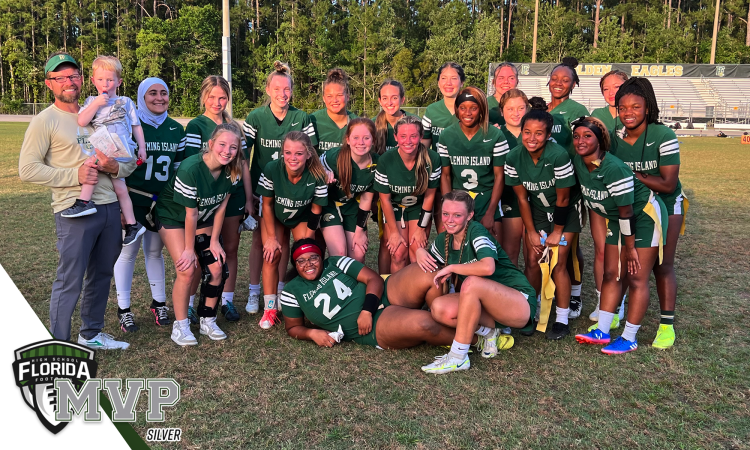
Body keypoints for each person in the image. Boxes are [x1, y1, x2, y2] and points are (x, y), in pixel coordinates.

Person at [19, 52, 136, 349]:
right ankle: (59, 343)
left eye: (73, 75)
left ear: (83, 79)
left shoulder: (100, 110)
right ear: (50, 84)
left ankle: (91, 334)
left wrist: (115, 167)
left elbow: (128, 159)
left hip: (110, 206)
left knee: (101, 275)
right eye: (60, 78)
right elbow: (27, 169)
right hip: (75, 211)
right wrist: (76, 175)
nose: (68, 82)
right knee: (69, 279)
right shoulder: (45, 120)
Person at [413, 191, 536, 374]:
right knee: (439, 308)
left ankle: (458, 357)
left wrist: (453, 268)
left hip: (519, 302)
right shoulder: (443, 240)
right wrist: (420, 252)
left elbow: (488, 268)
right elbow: (430, 262)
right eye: (446, 214)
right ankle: (489, 333)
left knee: (471, 283)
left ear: (469, 216)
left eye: (457, 215)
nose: (450, 220)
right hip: (488, 306)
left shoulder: (476, 230)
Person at [572, 117, 667, 354]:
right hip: (619, 219)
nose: (580, 141)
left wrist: (630, 247)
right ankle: (602, 330)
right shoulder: (580, 161)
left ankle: (629, 337)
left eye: (587, 136)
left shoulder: (613, 168)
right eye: (576, 136)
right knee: (611, 273)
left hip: (642, 217)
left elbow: (627, 211)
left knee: (635, 277)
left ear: (600, 140)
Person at [609, 77, 685, 349]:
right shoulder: (616, 140)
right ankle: (615, 314)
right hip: (634, 209)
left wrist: (632, 175)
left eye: (635, 107)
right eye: (623, 108)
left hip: (666, 204)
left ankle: (666, 326)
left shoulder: (663, 135)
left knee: (662, 265)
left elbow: (668, 183)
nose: (628, 113)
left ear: (648, 107)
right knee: (628, 265)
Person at [280, 239, 460, 352]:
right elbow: (292, 328)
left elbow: (373, 278)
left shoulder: (335, 262)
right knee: (424, 323)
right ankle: (474, 339)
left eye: (313, 258)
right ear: (294, 265)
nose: (308, 264)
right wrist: (312, 333)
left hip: (385, 293)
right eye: (301, 261)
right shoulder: (292, 291)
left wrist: (366, 310)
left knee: (430, 271)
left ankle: (448, 318)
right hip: (374, 325)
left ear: (321, 258)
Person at [155, 122, 243, 346]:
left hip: (204, 218)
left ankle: (207, 319)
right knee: (187, 269)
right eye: (222, 144)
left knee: (217, 267)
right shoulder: (190, 168)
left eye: (233, 147)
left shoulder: (234, 170)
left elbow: (221, 208)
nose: (227, 151)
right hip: (174, 217)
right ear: (211, 144)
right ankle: (181, 325)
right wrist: (188, 249)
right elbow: (189, 214)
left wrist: (214, 241)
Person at [243, 61, 317, 315]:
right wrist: (248, 192)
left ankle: (281, 289)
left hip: (293, 191)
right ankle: (254, 291)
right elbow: (244, 157)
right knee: (260, 241)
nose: (282, 94)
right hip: (263, 190)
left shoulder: (301, 117)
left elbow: (312, 153)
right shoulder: (256, 117)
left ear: (292, 91)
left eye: (286, 89)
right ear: (267, 90)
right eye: (277, 89)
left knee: (284, 243)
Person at [112, 77, 185, 333]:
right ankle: (124, 309)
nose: (159, 98)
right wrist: (121, 206)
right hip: (134, 198)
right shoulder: (130, 125)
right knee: (127, 252)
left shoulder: (177, 129)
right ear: (141, 96)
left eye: (163, 93)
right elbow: (118, 165)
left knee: (155, 252)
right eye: (152, 93)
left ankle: (159, 303)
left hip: (162, 200)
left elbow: (178, 171)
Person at [504, 106, 582, 339]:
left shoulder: (558, 155)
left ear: (548, 135)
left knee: (558, 263)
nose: (532, 138)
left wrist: (557, 231)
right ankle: (529, 311)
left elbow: (564, 198)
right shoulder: (513, 157)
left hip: (564, 211)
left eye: (539, 133)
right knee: (532, 259)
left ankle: (562, 319)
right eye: (527, 132)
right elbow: (522, 198)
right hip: (537, 209)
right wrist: (529, 231)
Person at [183, 76, 251, 323]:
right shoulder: (195, 125)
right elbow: (191, 163)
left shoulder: (235, 126)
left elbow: (243, 164)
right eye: (212, 97)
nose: (217, 102)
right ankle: (190, 304)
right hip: (205, 198)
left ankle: (227, 300)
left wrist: (250, 198)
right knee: (203, 252)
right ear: (204, 97)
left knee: (230, 248)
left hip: (232, 195)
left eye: (222, 97)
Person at [70, 56, 147, 247]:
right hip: (105, 145)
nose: (106, 84)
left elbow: (136, 126)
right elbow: (82, 120)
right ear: (93, 80)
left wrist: (142, 148)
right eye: (101, 79)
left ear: (119, 82)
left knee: (90, 164)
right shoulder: (90, 101)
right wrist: (96, 103)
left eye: (110, 80)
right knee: (121, 189)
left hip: (121, 147)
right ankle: (132, 224)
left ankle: (84, 202)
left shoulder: (125, 102)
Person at [256, 131, 329, 329]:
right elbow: (268, 205)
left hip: (302, 218)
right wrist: (271, 238)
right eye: (288, 153)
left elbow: (316, 209)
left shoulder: (317, 174)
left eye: (298, 153)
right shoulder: (272, 168)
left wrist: (309, 241)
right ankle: (270, 309)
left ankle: (303, 303)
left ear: (308, 154)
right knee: (272, 255)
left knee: (306, 257)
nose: (292, 158)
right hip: (276, 217)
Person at [437, 87, 507, 240]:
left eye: (473, 108)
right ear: (457, 109)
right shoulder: (447, 135)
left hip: (486, 199)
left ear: (481, 109)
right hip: (458, 200)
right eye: (463, 108)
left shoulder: (495, 135)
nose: (467, 113)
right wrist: (448, 208)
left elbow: (499, 176)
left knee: (491, 253)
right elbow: (446, 176)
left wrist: (490, 212)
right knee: (456, 254)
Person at [374, 115, 441, 273]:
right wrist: (394, 233)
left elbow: (429, 196)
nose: (408, 141)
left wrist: (420, 228)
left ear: (421, 136)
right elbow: (385, 200)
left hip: (418, 207)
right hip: (396, 207)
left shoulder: (432, 159)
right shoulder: (386, 160)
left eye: (413, 136)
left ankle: (414, 293)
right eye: (403, 136)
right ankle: (396, 294)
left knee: (416, 251)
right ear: (396, 137)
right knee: (398, 253)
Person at [586, 70, 628, 322]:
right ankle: (604, 300)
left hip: (624, 193)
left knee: (621, 250)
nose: (612, 93)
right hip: (598, 192)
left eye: (617, 87)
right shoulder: (596, 117)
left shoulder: (634, 115)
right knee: (601, 249)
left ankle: (619, 302)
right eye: (606, 89)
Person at [320, 118, 378, 262]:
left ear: (374, 140)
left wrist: (360, 231)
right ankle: (336, 283)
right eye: (356, 138)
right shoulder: (335, 157)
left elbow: (366, 199)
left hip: (352, 206)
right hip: (329, 205)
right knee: (340, 252)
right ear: (348, 140)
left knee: (358, 254)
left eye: (366, 138)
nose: (361, 142)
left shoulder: (376, 163)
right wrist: (323, 172)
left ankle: (354, 285)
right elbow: (312, 165)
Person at [496, 89, 528, 267]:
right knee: (510, 251)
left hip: (535, 200)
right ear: (502, 112)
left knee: (535, 253)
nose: (516, 113)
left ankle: (535, 294)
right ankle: (510, 292)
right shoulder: (496, 135)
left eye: (521, 108)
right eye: (510, 109)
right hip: (509, 199)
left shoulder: (536, 133)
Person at [310, 68, 358, 155]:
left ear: (347, 96)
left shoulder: (357, 123)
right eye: (329, 96)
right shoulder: (312, 121)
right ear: (324, 98)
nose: (334, 100)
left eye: (339, 95)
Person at [421, 62, 464, 152]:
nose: (448, 83)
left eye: (454, 78)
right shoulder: (431, 111)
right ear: (438, 82)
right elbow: (424, 147)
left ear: (462, 82)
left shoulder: (472, 110)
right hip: (439, 165)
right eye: (444, 78)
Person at [547, 57, 589, 126]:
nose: (558, 83)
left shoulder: (578, 111)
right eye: (554, 79)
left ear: (573, 84)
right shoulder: (541, 109)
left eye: (565, 80)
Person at [488, 62, 519, 127]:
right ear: (494, 82)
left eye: (511, 78)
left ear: (517, 81)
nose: (506, 82)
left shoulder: (524, 106)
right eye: (501, 78)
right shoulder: (484, 105)